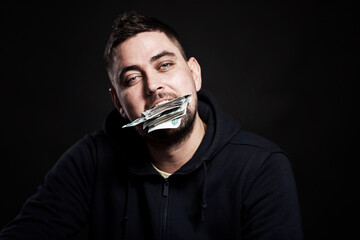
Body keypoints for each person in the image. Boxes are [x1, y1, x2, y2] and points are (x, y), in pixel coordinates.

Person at [0, 11, 303, 239]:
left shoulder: (261, 166)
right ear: (119, 103)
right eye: (132, 78)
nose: (153, 86)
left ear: (194, 74)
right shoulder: (90, 162)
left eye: (165, 65)